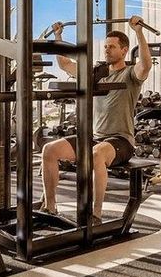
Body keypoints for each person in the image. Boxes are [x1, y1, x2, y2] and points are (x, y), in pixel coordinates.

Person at [40, 15, 152, 225]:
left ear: (124, 50)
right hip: (94, 137)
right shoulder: (95, 73)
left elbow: (145, 65)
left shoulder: (130, 74)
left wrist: (138, 32)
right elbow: (65, 64)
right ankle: (50, 206)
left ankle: (96, 214)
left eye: (112, 47)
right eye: (106, 46)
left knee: (96, 154)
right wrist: (58, 36)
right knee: (49, 150)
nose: (107, 50)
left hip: (120, 140)